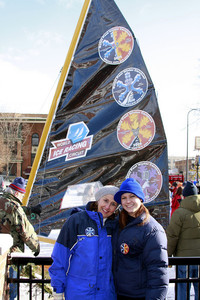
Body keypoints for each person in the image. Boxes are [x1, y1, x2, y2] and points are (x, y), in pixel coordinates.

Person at [49, 185, 119, 300]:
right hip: (79, 293)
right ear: (98, 199)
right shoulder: (77, 221)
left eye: (113, 204)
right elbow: (60, 257)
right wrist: (58, 288)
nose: (107, 207)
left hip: (106, 294)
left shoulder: (116, 225)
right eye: (105, 200)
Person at [112, 178, 169, 300]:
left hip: (139, 295)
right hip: (117, 293)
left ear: (140, 199)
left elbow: (158, 272)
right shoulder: (118, 224)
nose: (128, 201)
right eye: (124, 198)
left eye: (132, 196)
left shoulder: (152, 229)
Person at [166, 181, 200, 300]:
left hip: (183, 259)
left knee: (182, 287)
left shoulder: (179, 213)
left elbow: (172, 236)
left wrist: (168, 256)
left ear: (184, 196)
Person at [0, 176, 40, 255]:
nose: (22, 198)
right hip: (10, 251)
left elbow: (7, 212)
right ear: (17, 193)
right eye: (22, 195)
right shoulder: (15, 208)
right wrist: (36, 247)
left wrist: (29, 210)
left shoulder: (2, 200)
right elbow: (25, 231)